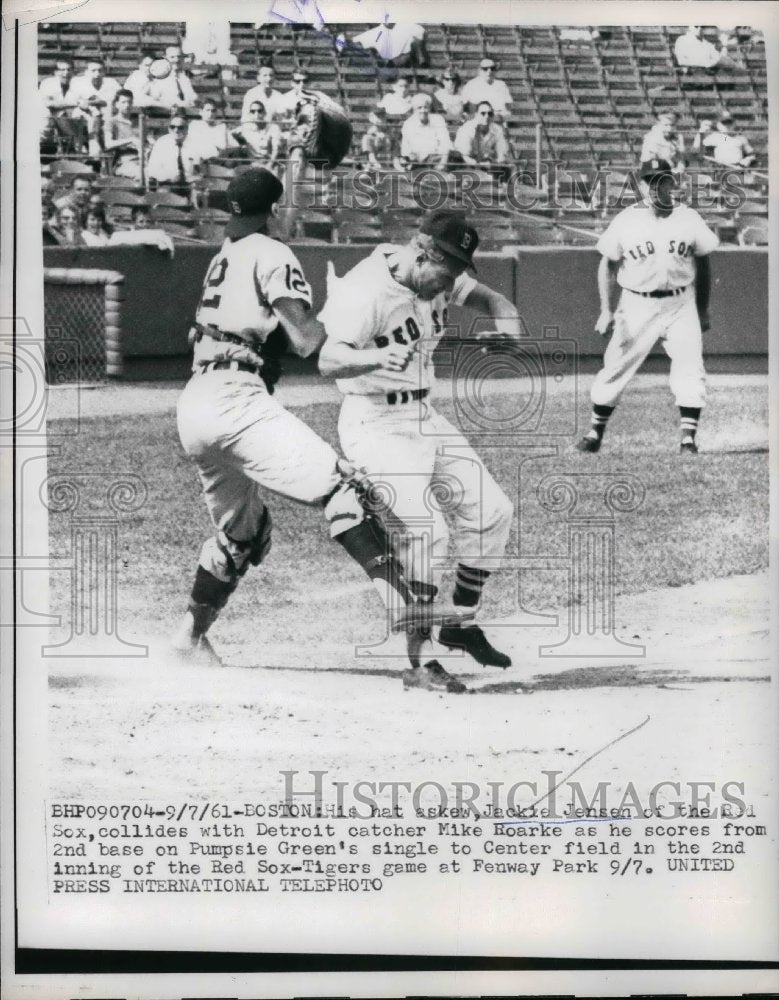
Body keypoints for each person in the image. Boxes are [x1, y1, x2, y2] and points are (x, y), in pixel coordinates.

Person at [171, 168, 467, 667]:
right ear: (275, 211)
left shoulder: (223, 257)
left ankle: (187, 640)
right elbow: (309, 341)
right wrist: (367, 352)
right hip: (236, 400)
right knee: (345, 490)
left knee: (241, 536)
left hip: (195, 404)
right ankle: (404, 609)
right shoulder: (272, 252)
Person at [318, 209, 521, 692]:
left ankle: (460, 622)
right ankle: (418, 662)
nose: (449, 286)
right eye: (446, 274)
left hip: (424, 415)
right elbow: (326, 358)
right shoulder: (365, 289)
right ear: (422, 253)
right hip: (374, 421)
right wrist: (374, 356)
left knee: (493, 512)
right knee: (427, 533)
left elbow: (497, 302)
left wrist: (509, 331)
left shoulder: (436, 274)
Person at [576, 159, 719, 456]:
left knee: (691, 367)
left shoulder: (689, 218)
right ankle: (594, 433)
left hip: (681, 303)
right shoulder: (627, 220)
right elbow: (607, 263)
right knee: (615, 366)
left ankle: (688, 439)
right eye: (649, 181)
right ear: (640, 185)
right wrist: (606, 309)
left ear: (671, 183)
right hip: (636, 303)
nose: (655, 187)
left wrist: (703, 309)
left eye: (661, 180)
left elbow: (704, 263)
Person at [454, 101, 511, 181]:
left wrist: (495, 163)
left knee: (507, 169)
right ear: (476, 114)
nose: (486, 116)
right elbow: (464, 156)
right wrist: (480, 165)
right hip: (469, 166)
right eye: (483, 113)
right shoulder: (466, 129)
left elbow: (502, 152)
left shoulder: (497, 129)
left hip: (490, 166)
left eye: (489, 113)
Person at [146, 114, 202, 197]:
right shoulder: (161, 143)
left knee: (200, 194)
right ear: (169, 129)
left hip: (188, 184)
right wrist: (169, 177)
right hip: (167, 183)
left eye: (180, 127)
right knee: (165, 193)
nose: (176, 130)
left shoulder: (194, 143)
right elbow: (152, 170)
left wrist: (194, 180)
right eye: (173, 127)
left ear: (187, 129)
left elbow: (197, 170)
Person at [400, 92, 455, 170]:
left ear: (429, 108)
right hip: (416, 162)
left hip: (436, 159)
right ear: (414, 109)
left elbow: (445, 143)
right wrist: (410, 158)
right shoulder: (408, 124)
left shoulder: (438, 119)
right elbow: (405, 148)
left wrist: (442, 163)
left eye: (426, 107)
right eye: (419, 108)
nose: (423, 110)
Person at [102, 88, 143, 179]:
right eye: (123, 102)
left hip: (142, 160)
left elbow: (147, 140)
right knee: (142, 173)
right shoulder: (111, 122)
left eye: (129, 102)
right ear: (117, 104)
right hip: (123, 162)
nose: (127, 105)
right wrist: (130, 140)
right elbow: (108, 144)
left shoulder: (138, 122)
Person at [230, 101, 283, 170]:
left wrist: (270, 165)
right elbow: (232, 134)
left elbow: (276, 150)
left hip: (267, 162)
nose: (256, 114)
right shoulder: (245, 128)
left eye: (260, 111)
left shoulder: (273, 128)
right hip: (250, 163)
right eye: (253, 111)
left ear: (264, 113)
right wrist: (241, 141)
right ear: (249, 114)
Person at [150, 45, 199, 109]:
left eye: (178, 57)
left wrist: (193, 100)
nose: (176, 60)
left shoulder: (183, 77)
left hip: (186, 111)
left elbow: (191, 96)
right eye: (172, 57)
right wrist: (179, 104)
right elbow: (155, 99)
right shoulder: (160, 78)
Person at [673, 25, 740, 72]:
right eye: (696, 26)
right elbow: (681, 61)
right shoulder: (682, 40)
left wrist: (724, 47)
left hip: (708, 74)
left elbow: (718, 58)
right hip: (692, 74)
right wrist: (707, 63)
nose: (699, 28)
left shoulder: (707, 44)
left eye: (702, 26)